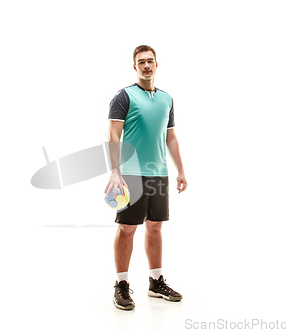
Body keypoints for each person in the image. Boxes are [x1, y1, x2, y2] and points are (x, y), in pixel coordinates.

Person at [105, 45, 188, 310]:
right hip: (131, 173)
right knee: (127, 228)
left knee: (155, 227)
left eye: (150, 61)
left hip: (159, 172)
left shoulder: (167, 99)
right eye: (141, 62)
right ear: (135, 66)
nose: (146, 65)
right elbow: (113, 136)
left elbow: (170, 137)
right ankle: (121, 284)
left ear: (156, 64)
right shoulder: (123, 96)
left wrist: (181, 171)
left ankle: (155, 282)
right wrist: (115, 172)